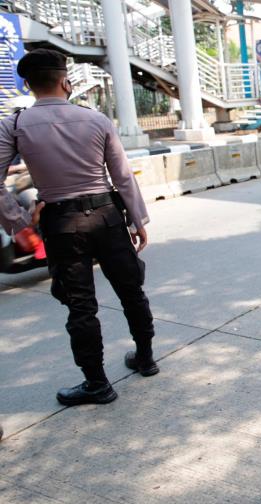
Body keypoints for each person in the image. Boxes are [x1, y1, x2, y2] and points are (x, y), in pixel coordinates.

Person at [0, 49, 158, 406]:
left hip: (61, 223)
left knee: (81, 306)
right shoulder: (96, 119)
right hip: (107, 216)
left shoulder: (14, 124)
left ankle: (97, 384)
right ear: (64, 80)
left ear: (28, 84)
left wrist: (19, 221)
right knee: (131, 291)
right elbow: (122, 177)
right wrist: (138, 219)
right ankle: (145, 358)